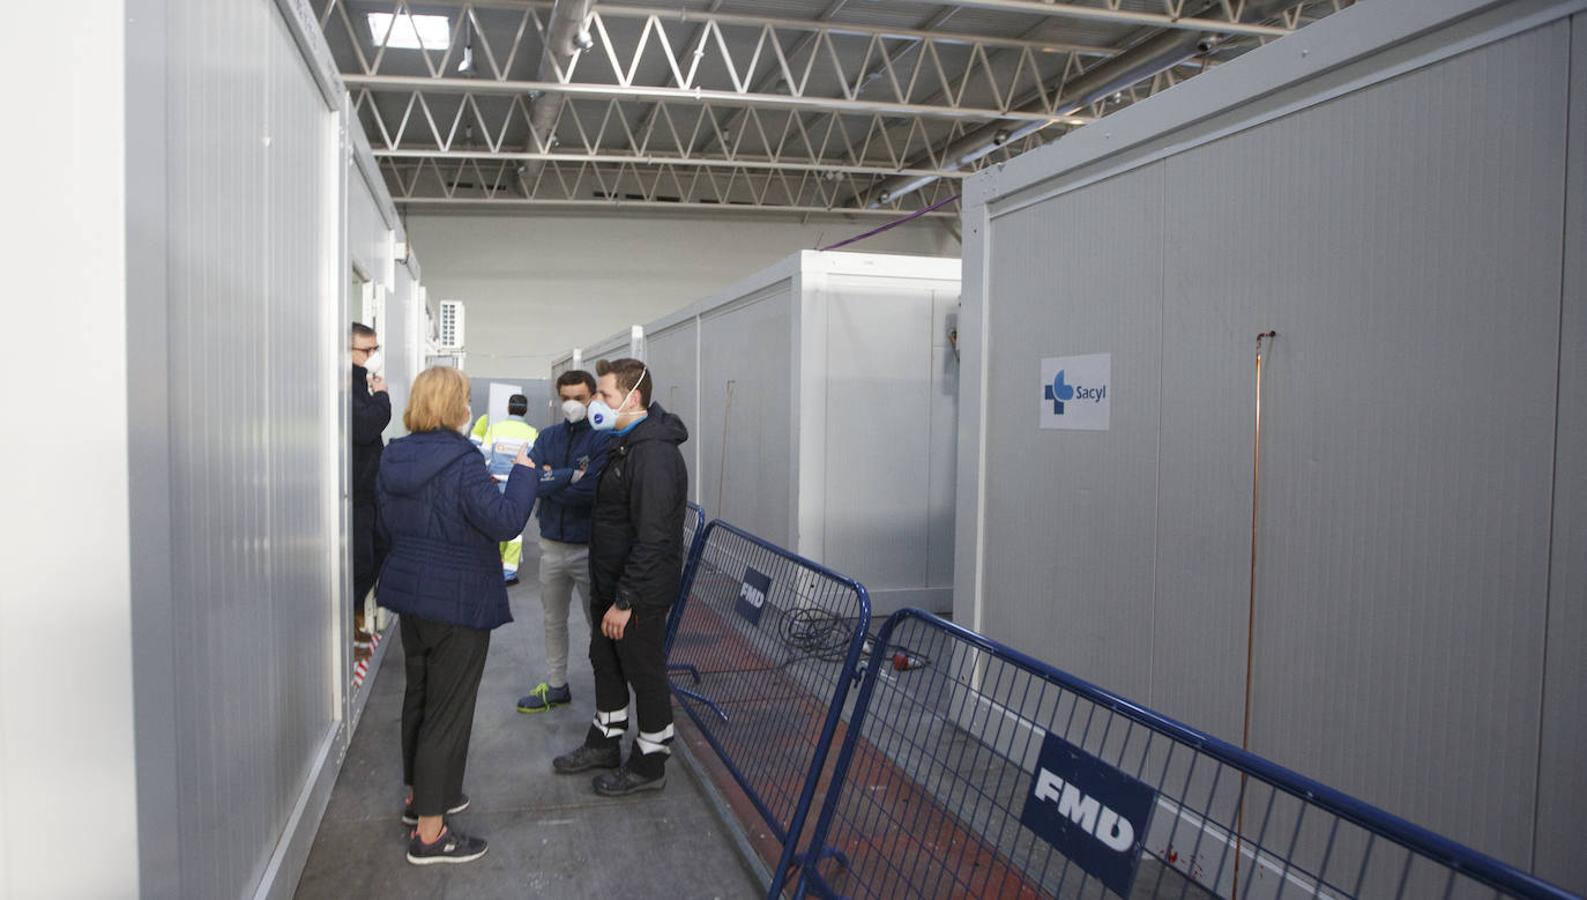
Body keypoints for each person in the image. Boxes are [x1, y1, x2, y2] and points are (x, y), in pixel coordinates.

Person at [376, 366, 538, 865]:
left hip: (413, 598)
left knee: (421, 700)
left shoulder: (394, 456)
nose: (470, 407)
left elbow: (390, 524)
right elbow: (505, 521)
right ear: (455, 407)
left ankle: (419, 799)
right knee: (448, 713)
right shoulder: (464, 462)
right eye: (465, 399)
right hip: (458, 603)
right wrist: (525, 476)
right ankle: (430, 834)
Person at [552, 358, 689, 797]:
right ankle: (605, 743)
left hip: (637, 592)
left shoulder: (654, 455)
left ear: (634, 398)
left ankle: (650, 764)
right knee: (606, 662)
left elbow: (653, 537)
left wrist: (625, 600)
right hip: (611, 581)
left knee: (643, 671)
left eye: (605, 395)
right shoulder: (622, 443)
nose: (596, 403)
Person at [515, 371, 610, 714]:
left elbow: (592, 492)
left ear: (592, 398)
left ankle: (608, 694)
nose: (573, 405)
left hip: (588, 549)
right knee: (553, 620)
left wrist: (554, 478)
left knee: (596, 624)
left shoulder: (602, 439)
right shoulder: (548, 436)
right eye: (566, 398)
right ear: (558, 398)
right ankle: (557, 686)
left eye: (579, 398)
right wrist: (571, 475)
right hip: (551, 545)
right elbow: (531, 482)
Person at [350, 322, 390, 660]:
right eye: (367, 350)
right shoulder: (347, 384)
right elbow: (364, 428)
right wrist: (383, 398)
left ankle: (357, 624)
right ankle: (351, 630)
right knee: (362, 563)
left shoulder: (360, 382)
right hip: (355, 495)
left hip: (367, 491)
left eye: (376, 349)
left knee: (376, 552)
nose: (373, 357)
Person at [479, 394, 539, 585]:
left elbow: (484, 457)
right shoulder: (532, 432)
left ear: (508, 408)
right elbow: (532, 462)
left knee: (491, 525)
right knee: (515, 531)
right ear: (526, 410)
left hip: (495, 483)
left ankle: (493, 566)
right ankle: (509, 573)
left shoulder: (495, 429)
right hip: (518, 486)